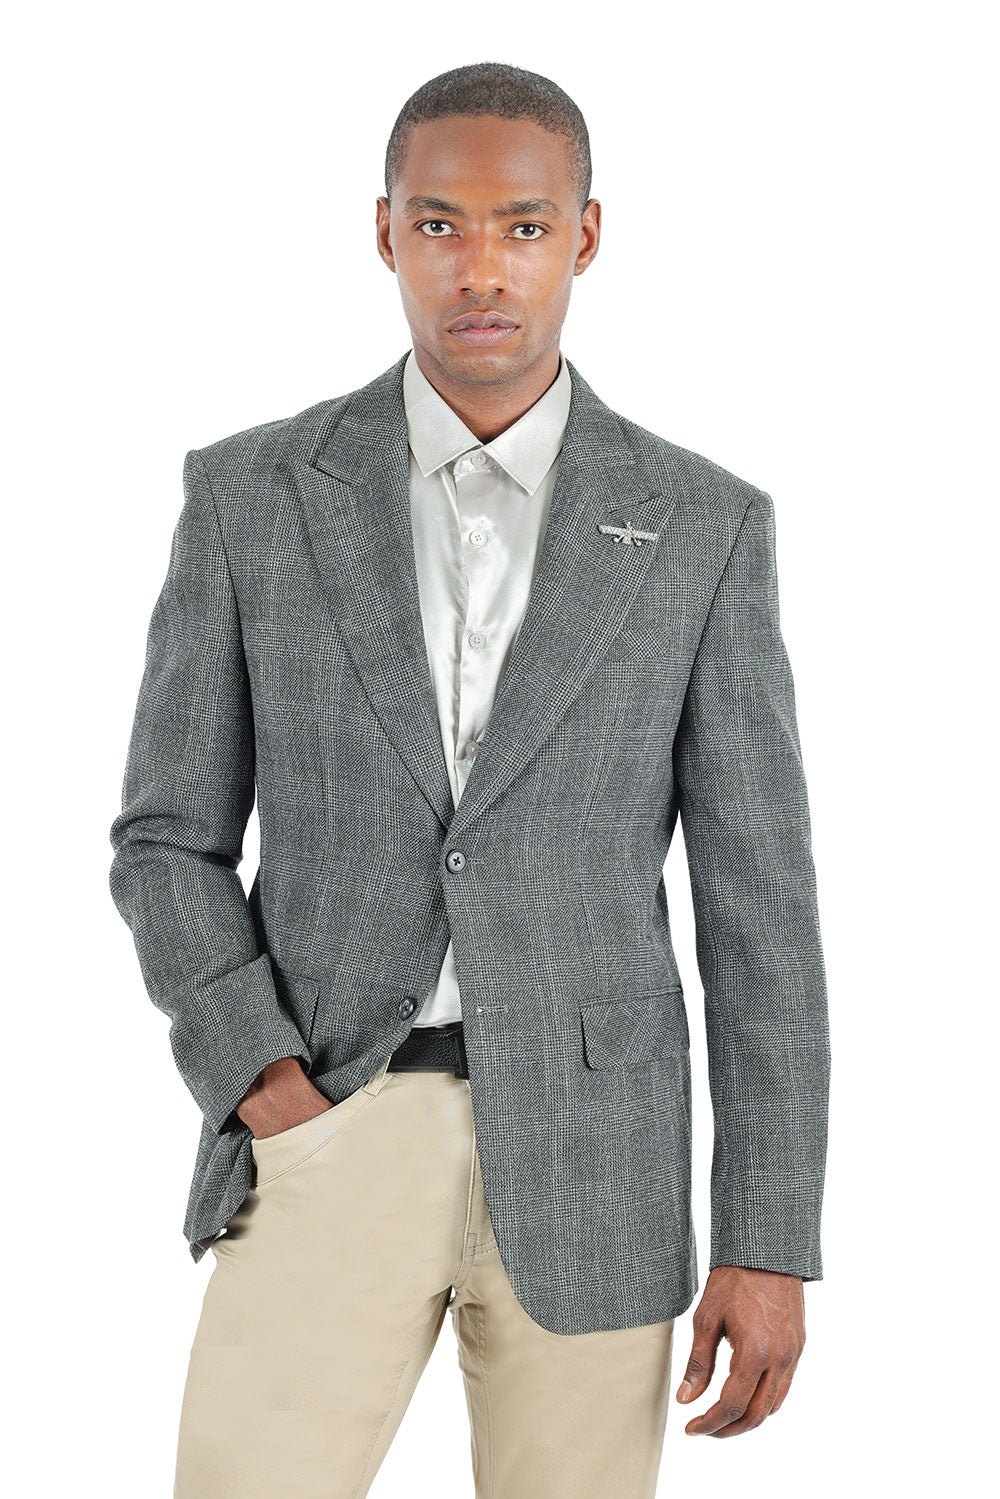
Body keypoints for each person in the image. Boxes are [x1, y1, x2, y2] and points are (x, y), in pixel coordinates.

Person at [109, 59, 831, 1499]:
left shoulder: (702, 525)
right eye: (439, 225)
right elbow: (166, 837)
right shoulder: (252, 497)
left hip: (598, 1161)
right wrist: (262, 1080)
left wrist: (769, 1235)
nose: (480, 268)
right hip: (328, 1122)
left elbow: (759, 909)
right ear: (384, 232)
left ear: (585, 236)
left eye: (523, 225)